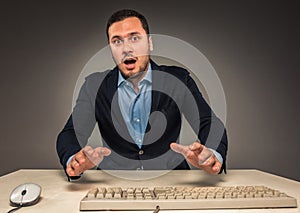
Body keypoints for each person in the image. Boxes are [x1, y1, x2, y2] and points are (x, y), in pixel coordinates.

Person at [56, 9, 228, 181]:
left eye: (135, 38)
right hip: (115, 182)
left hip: (171, 181)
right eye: (117, 41)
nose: (126, 49)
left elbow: (208, 123)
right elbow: (71, 133)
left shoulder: (179, 80)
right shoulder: (94, 86)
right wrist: (74, 160)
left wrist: (213, 156)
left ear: (150, 43)